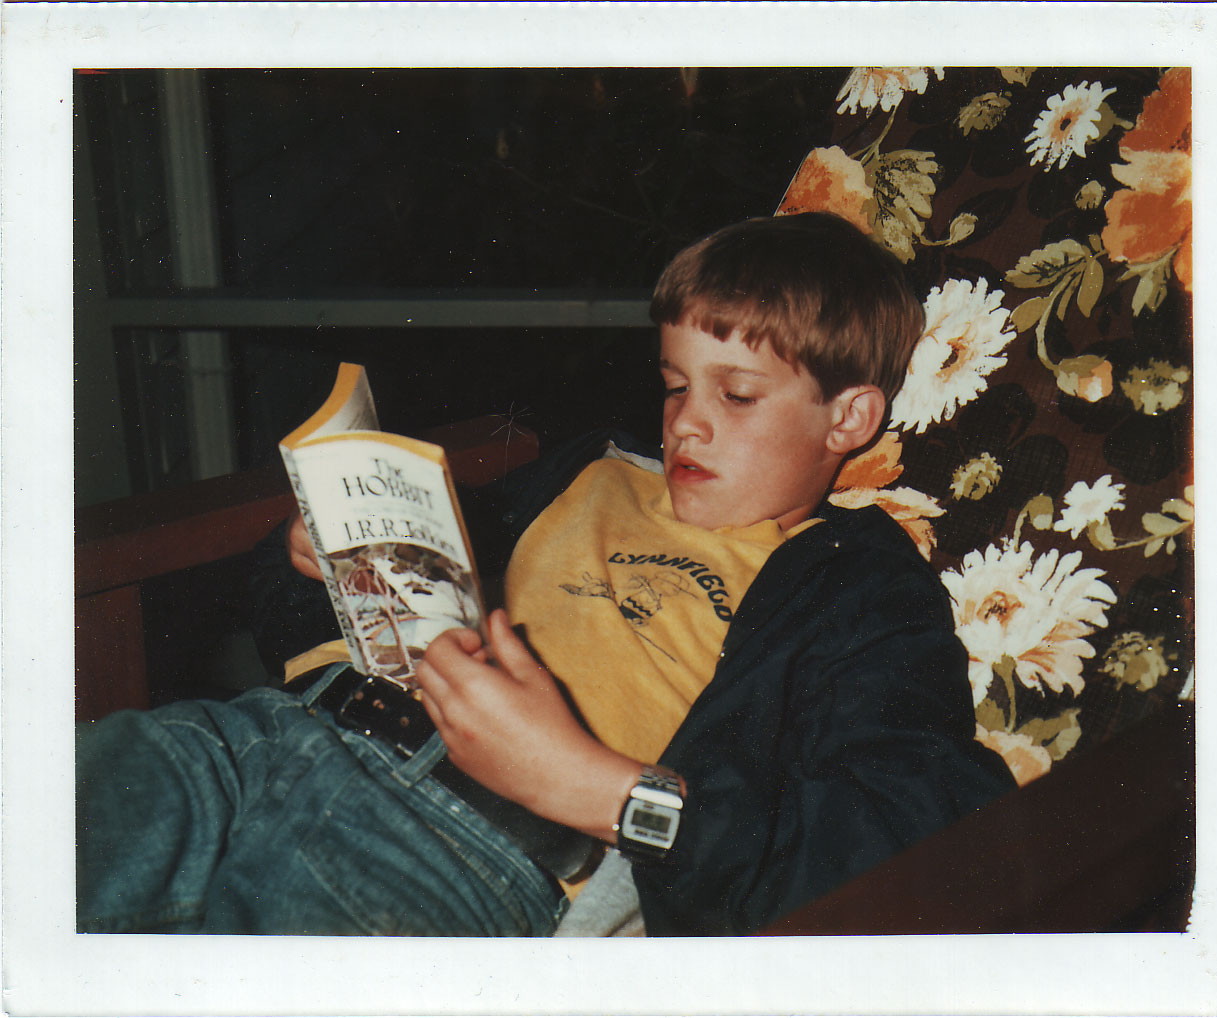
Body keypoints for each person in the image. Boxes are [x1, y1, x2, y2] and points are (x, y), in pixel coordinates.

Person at [76, 212, 1014, 937]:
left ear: (847, 419)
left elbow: (923, 821)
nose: (685, 421)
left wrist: (602, 792)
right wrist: (318, 559)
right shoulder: (585, 471)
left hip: (466, 847)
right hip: (265, 735)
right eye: (675, 382)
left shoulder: (856, 585)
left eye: (735, 394)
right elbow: (303, 617)